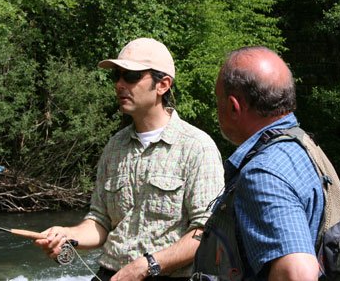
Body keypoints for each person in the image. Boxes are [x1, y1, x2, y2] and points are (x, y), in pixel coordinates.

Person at [35, 38, 224, 281]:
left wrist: (147, 266)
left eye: (131, 76)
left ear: (163, 84)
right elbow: (99, 221)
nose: (120, 84)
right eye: (117, 76)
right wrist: (67, 237)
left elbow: (205, 233)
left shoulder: (198, 147)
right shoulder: (114, 147)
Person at [192, 46, 323, 281]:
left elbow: (298, 274)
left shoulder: (263, 174)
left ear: (233, 106)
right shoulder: (303, 146)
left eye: (217, 100)